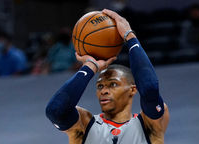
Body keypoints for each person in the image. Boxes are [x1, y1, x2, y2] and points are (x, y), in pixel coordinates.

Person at [45, 9, 169, 144]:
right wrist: (91, 66)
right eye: (100, 86)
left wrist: (129, 36)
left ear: (132, 89)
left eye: (113, 84)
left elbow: (150, 87)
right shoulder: (85, 127)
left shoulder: (149, 125)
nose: (103, 90)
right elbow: (56, 111)